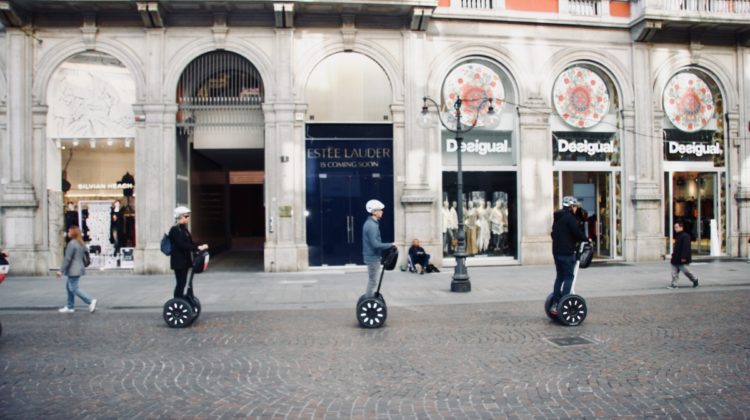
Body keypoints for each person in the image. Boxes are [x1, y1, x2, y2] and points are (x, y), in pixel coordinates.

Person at [549, 196, 589, 315]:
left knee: (560, 277)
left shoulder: (557, 217)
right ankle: (564, 301)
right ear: (571, 207)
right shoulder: (570, 218)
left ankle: (556, 303)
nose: (576, 208)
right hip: (567, 252)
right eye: (575, 206)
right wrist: (586, 239)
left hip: (556, 252)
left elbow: (553, 233)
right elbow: (577, 233)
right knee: (569, 277)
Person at [169, 206, 208, 299]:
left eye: (188, 216)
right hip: (178, 262)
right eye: (186, 216)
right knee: (181, 283)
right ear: (179, 217)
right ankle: (177, 301)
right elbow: (182, 245)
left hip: (185, 261)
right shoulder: (174, 230)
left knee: (184, 282)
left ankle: (181, 300)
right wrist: (197, 247)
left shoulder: (184, 229)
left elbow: (190, 243)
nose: (188, 218)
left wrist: (199, 246)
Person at [56, 225, 97, 313]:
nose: (68, 233)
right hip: (78, 268)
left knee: (74, 288)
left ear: (73, 233)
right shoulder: (81, 243)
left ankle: (90, 301)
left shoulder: (72, 244)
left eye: (69, 231)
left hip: (73, 270)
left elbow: (67, 259)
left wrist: (61, 271)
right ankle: (70, 306)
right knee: (69, 287)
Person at [362, 199, 394, 298]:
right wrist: (391, 244)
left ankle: (369, 300)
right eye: (380, 210)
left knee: (373, 281)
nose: (382, 211)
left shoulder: (372, 223)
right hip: (372, 258)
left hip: (373, 256)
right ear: (374, 212)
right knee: (373, 281)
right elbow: (375, 244)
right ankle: (369, 301)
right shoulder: (372, 226)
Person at [669, 221, 699, 289]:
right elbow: (676, 248)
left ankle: (695, 280)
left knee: (687, 272)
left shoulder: (685, 236)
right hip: (675, 258)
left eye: (676, 227)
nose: (675, 229)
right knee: (674, 273)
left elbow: (686, 247)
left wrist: (684, 257)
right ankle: (674, 284)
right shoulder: (678, 236)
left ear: (681, 227)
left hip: (682, 259)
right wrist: (673, 256)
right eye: (674, 227)